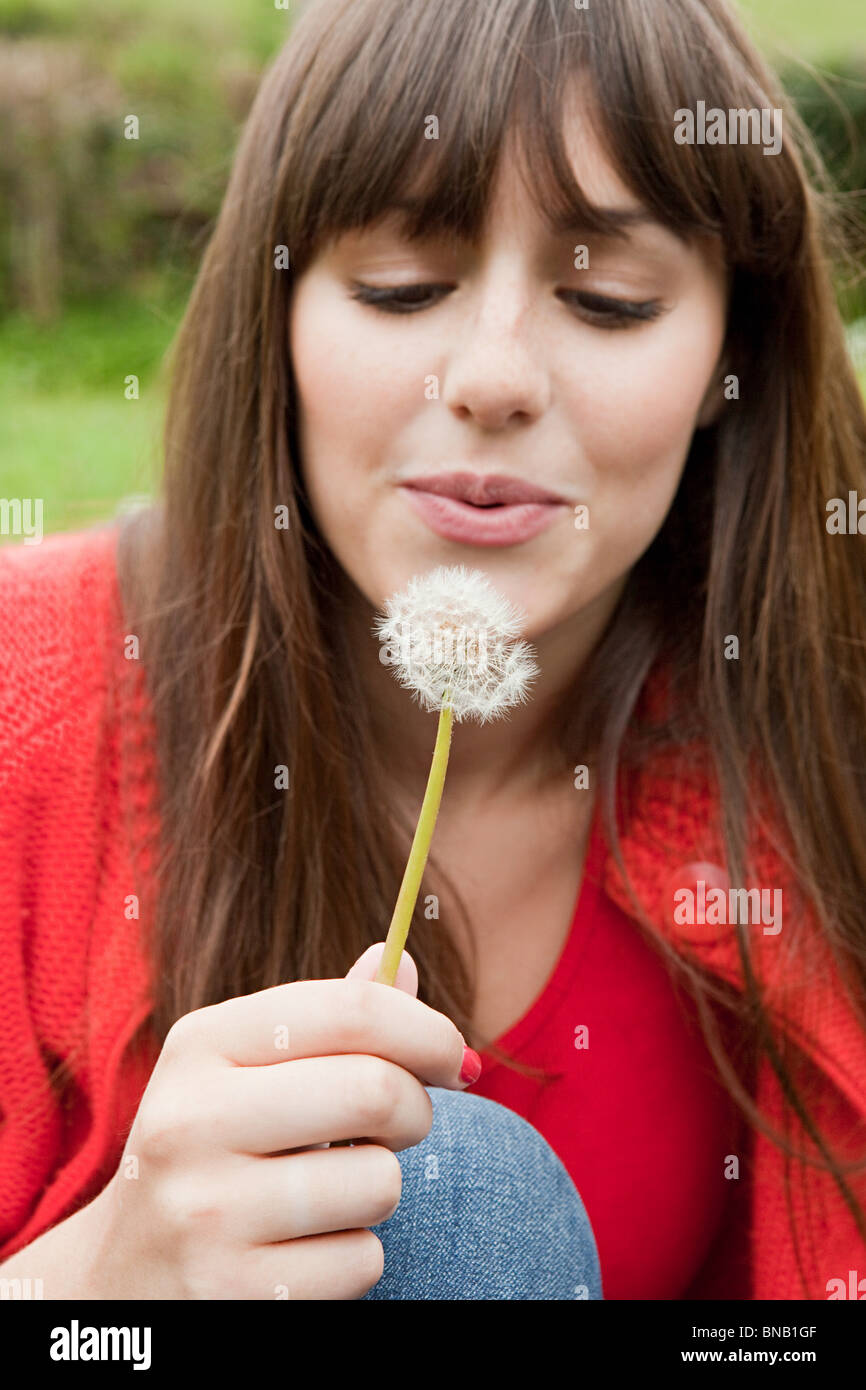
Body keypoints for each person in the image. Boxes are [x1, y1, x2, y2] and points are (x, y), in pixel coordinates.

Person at [1, 0, 865, 1301]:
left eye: (606, 298)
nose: (490, 375)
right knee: (450, 1185)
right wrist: (94, 1286)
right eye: (400, 283)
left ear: (726, 362)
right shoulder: (27, 699)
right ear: (274, 318)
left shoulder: (826, 747)